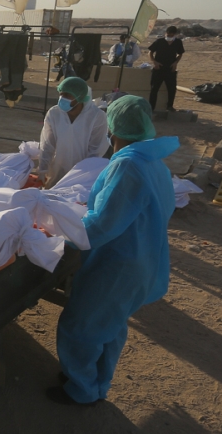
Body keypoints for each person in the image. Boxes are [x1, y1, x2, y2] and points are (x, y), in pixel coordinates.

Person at [48, 95, 177, 406]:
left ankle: (82, 389)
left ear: (114, 126)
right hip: (141, 255)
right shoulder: (152, 162)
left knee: (82, 326)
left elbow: (103, 225)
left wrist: (59, 237)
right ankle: (96, 381)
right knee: (110, 323)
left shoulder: (128, 165)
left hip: (118, 263)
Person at [38, 77, 110, 186]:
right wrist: (43, 169)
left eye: (67, 95)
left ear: (80, 97)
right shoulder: (54, 113)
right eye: (61, 94)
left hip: (82, 177)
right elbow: (47, 144)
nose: (62, 98)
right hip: (56, 172)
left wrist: (81, 176)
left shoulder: (96, 117)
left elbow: (95, 151)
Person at [147, 26, 185, 111]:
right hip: (158, 68)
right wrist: (154, 61)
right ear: (165, 33)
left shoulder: (178, 42)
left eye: (171, 35)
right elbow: (150, 52)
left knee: (172, 89)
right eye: (168, 34)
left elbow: (180, 54)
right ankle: (151, 108)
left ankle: (170, 106)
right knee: (154, 89)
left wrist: (175, 63)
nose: (169, 37)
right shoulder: (159, 41)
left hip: (170, 69)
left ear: (175, 35)